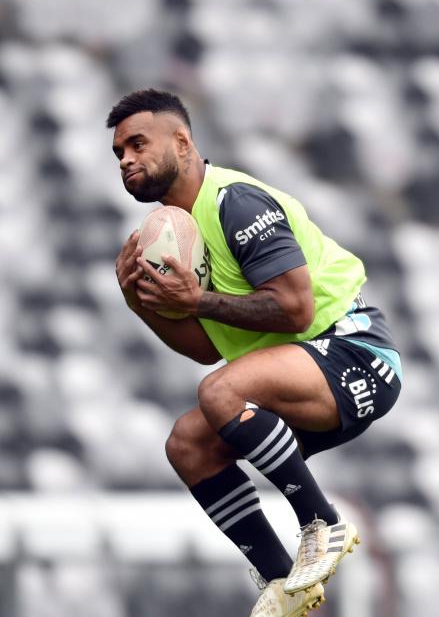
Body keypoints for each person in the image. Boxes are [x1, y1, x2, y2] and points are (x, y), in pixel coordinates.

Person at [108, 89, 402, 617]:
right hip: (304, 370)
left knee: (221, 391)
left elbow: (294, 310)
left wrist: (194, 299)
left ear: (181, 141)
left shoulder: (234, 203)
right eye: (119, 153)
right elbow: (205, 348)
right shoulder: (184, 235)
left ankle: (322, 522)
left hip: (355, 352)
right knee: (187, 445)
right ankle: (283, 583)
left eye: (136, 143)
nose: (127, 159)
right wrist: (141, 303)